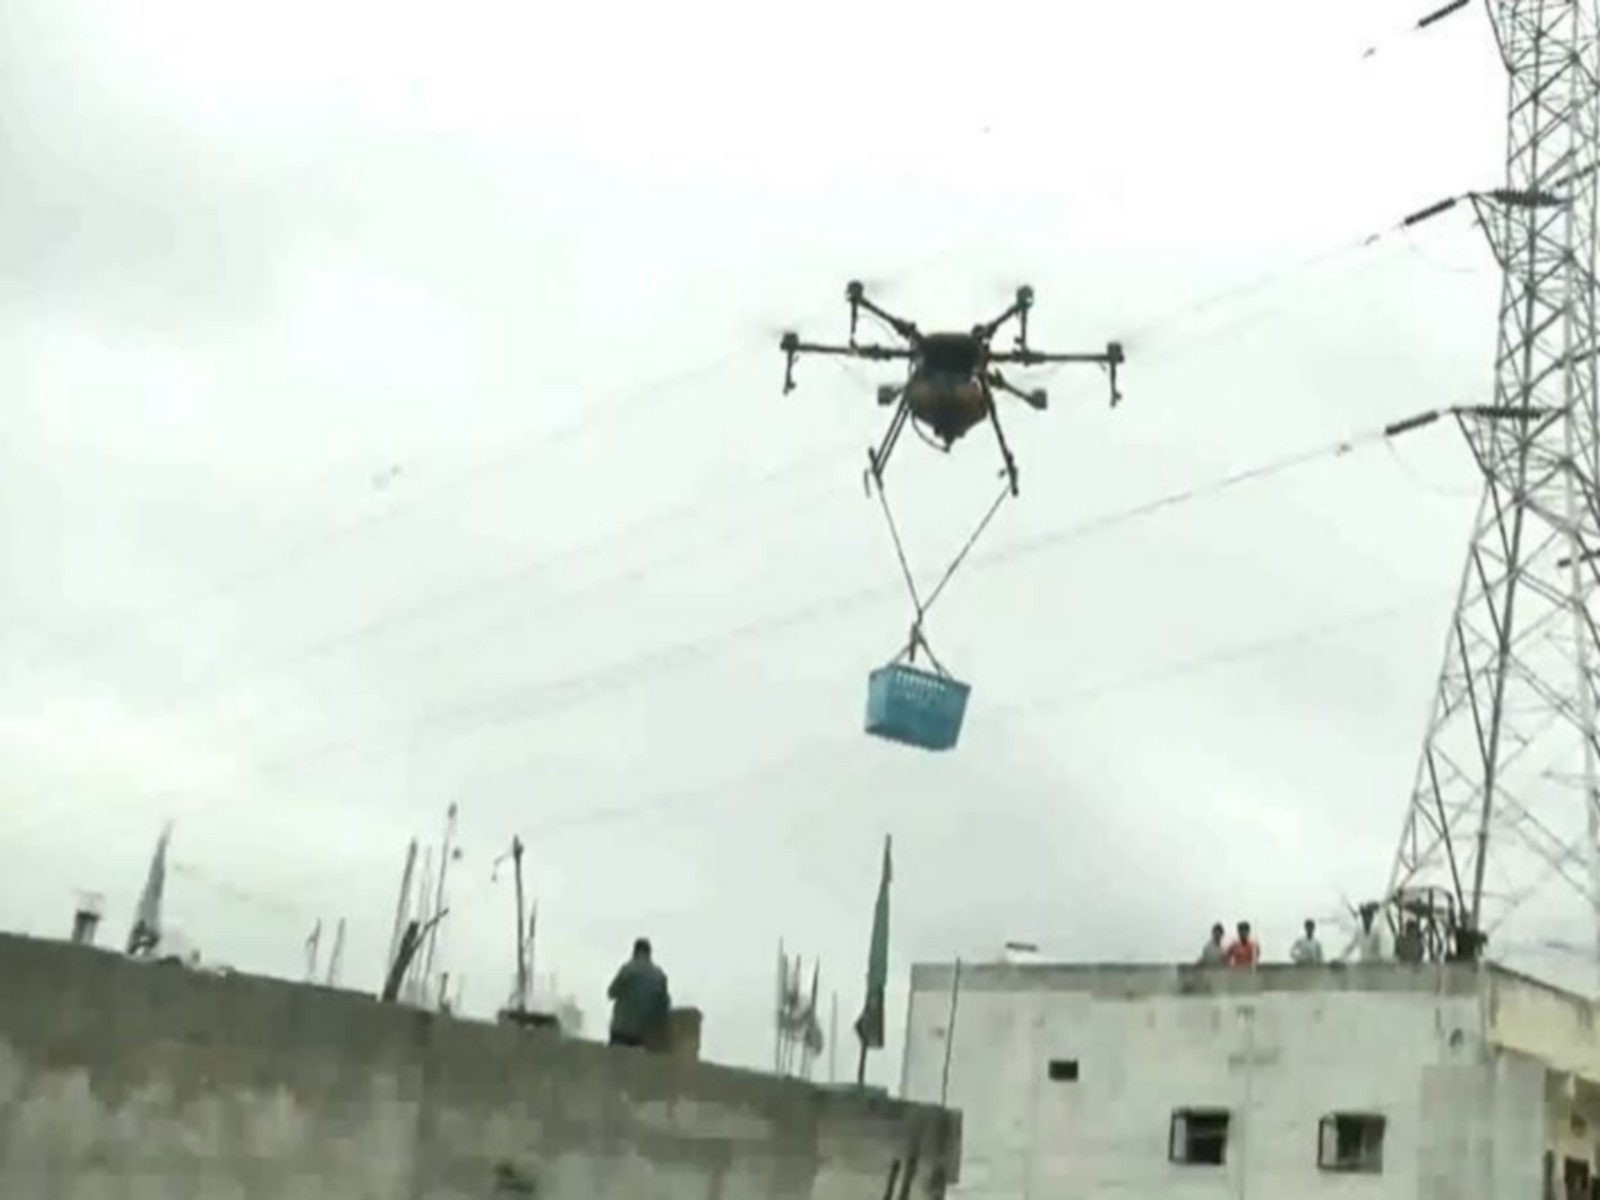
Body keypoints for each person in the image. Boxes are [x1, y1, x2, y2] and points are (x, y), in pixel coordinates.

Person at [607, 937, 671, 1050]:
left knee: (615, 1063)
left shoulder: (627, 969)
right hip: (644, 1035)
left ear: (635, 952)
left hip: (621, 1031)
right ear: (649, 953)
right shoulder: (659, 976)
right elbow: (665, 1004)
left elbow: (611, 992)